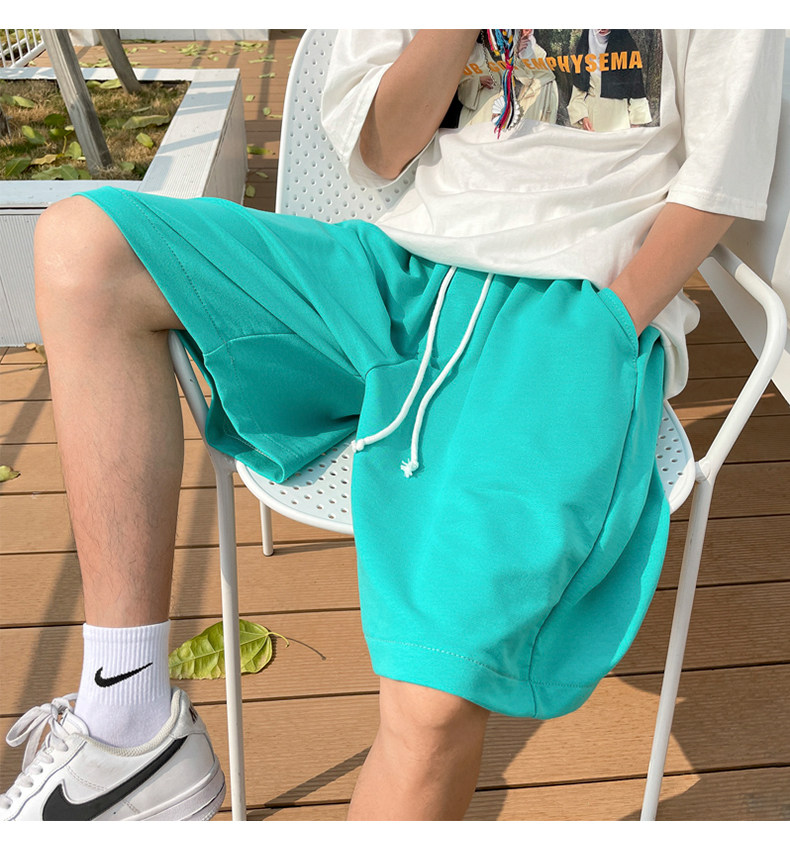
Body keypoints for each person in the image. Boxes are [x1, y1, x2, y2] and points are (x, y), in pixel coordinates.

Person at [1, 29, 783, 821]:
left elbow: (723, 178)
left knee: (431, 698)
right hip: (391, 272)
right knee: (85, 246)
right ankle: (128, 719)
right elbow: (381, 152)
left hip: (562, 311)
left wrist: (609, 324)